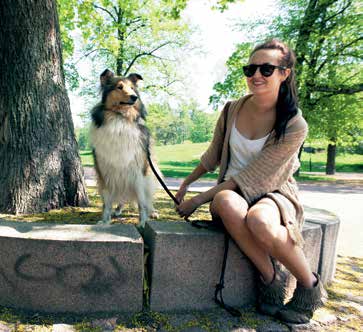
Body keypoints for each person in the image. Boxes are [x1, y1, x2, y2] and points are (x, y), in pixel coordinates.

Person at [175, 39, 327, 324]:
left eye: (267, 69)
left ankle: (309, 286)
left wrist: (197, 200)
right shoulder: (232, 109)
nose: (256, 75)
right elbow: (213, 156)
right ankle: (271, 281)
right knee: (226, 202)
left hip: (275, 192)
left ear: (285, 73)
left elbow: (252, 178)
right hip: (231, 193)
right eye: (251, 68)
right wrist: (186, 183)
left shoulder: (294, 124)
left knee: (261, 221)